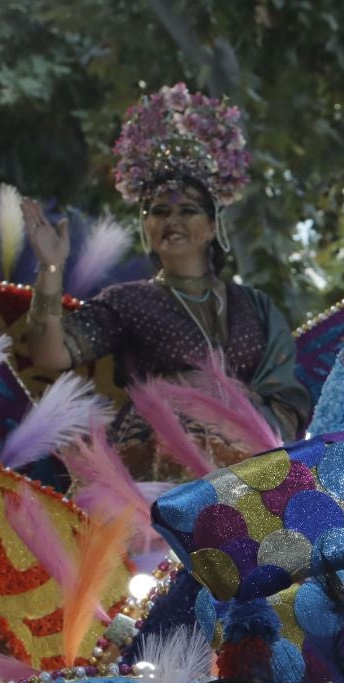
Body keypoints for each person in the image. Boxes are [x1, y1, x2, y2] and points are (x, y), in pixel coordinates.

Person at [21, 84, 309, 481]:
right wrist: (51, 269)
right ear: (147, 227)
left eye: (187, 210)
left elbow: (288, 399)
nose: (172, 221)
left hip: (248, 469)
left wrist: (230, 408)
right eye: (159, 211)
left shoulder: (256, 307)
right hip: (155, 465)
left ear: (212, 227)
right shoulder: (126, 302)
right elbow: (50, 354)